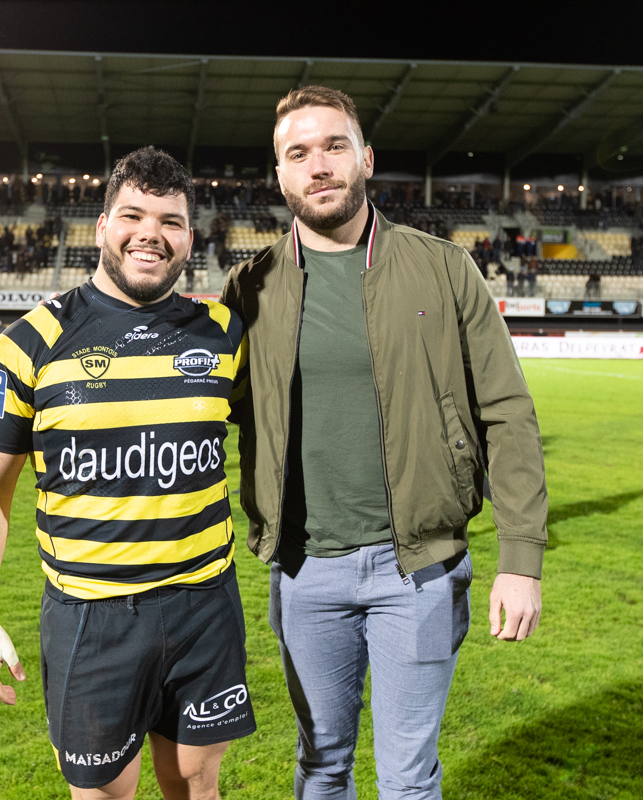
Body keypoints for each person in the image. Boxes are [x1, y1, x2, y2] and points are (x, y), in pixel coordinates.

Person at [221, 86, 546, 800]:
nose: (319, 165)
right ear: (279, 176)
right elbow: (196, 411)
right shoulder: (248, 289)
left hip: (421, 573)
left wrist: (521, 559)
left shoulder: (444, 267)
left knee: (407, 780)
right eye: (297, 153)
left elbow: (508, 413)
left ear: (365, 158)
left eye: (335, 146)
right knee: (322, 766)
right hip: (306, 573)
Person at [0, 147, 254, 799]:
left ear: (189, 238)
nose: (151, 233)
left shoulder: (226, 334)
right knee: (102, 794)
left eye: (170, 221)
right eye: (133, 215)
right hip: (91, 617)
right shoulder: (27, 343)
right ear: (100, 228)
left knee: (197, 784)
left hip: (205, 604)